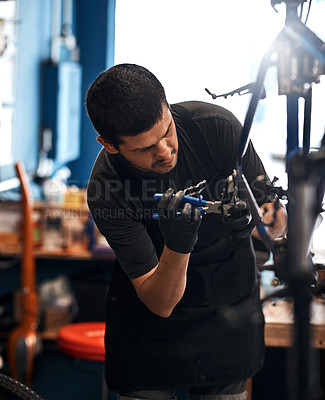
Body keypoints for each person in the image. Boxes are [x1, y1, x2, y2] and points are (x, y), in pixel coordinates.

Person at [86, 63, 287, 400]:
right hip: (151, 321)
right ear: (110, 144)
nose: (164, 152)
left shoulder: (218, 128)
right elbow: (160, 303)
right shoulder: (107, 188)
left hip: (226, 303)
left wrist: (258, 220)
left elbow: (278, 223)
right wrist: (178, 244)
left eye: (166, 132)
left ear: (167, 107)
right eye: (145, 149)